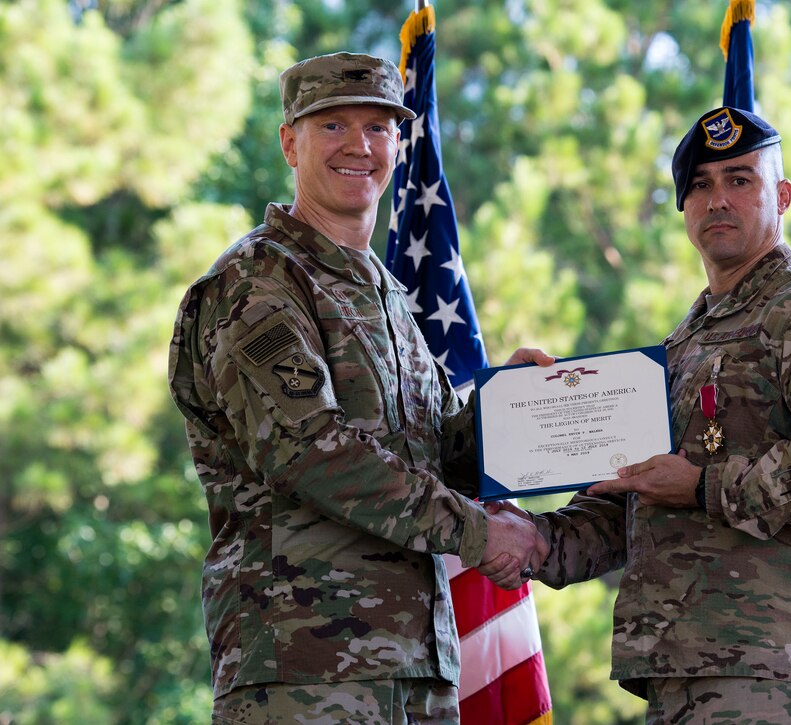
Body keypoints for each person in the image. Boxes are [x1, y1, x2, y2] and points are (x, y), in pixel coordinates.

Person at [481, 106, 791, 724]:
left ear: (782, 195)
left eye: (740, 179)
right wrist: (537, 542)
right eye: (700, 186)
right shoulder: (679, 347)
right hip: (678, 668)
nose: (718, 201)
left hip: (779, 664)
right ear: (683, 210)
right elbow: (634, 501)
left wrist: (706, 486)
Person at [168, 52, 549, 724]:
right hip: (303, 669)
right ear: (290, 141)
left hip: (418, 666)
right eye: (333, 126)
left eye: (378, 128)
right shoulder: (256, 284)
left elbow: (434, 454)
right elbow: (312, 453)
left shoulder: (390, 298)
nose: (359, 146)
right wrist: (478, 532)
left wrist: (510, 411)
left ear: (398, 146)